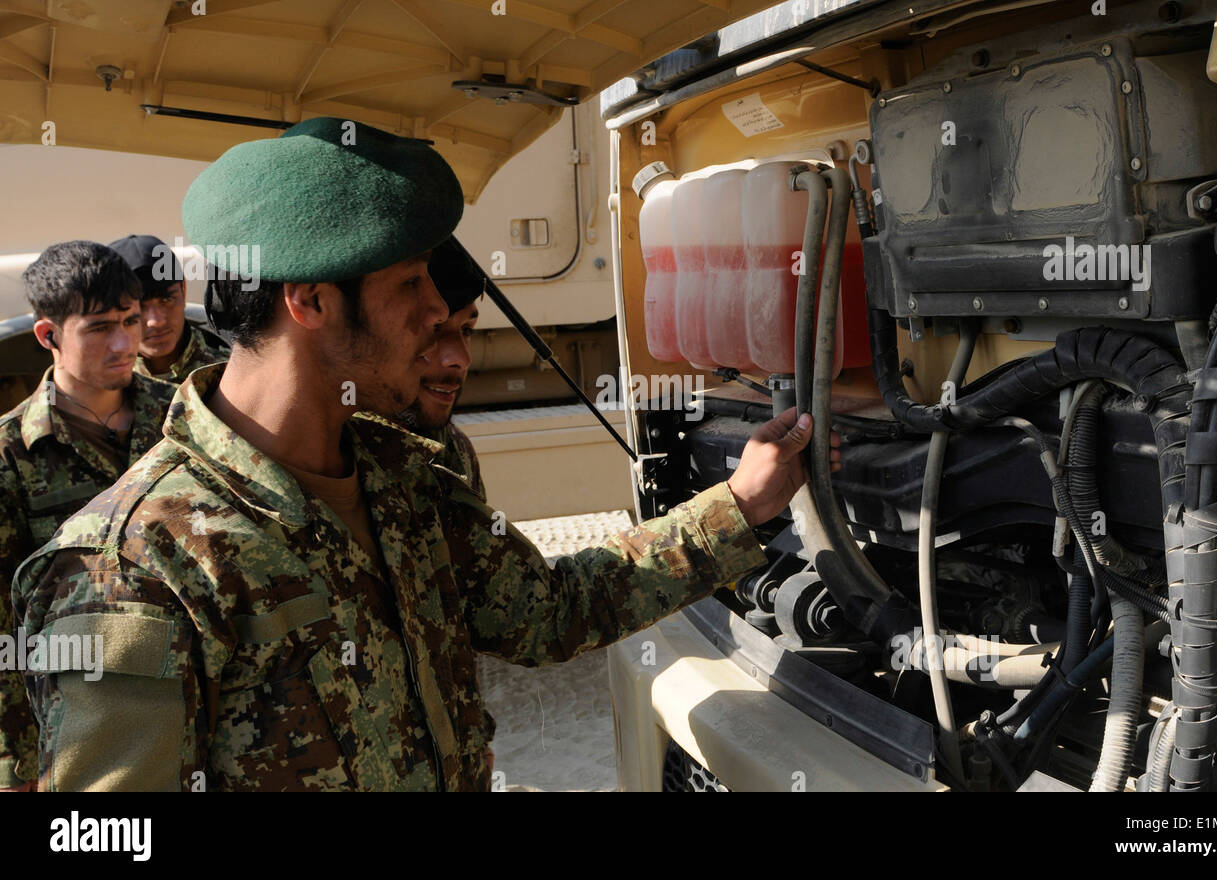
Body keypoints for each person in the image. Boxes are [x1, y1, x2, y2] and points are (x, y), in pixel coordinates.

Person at [13, 118, 830, 792]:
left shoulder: (400, 475)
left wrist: (741, 506)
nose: (437, 309)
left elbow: (542, 611)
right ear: (310, 300)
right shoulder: (135, 569)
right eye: (409, 284)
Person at [0, 241, 175, 791]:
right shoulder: (11, 454)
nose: (127, 342)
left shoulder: (185, 419)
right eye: (99, 328)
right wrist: (17, 765)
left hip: (195, 701)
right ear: (49, 335)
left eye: (129, 319)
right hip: (77, 727)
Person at [395, 240, 485, 497]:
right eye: (435, 328)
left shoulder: (452, 447)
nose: (462, 358)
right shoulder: (335, 452)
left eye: (466, 330)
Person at [108, 234, 231, 383]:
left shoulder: (229, 373)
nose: (156, 321)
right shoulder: (101, 382)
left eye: (166, 300)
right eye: (139, 306)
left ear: (183, 290)